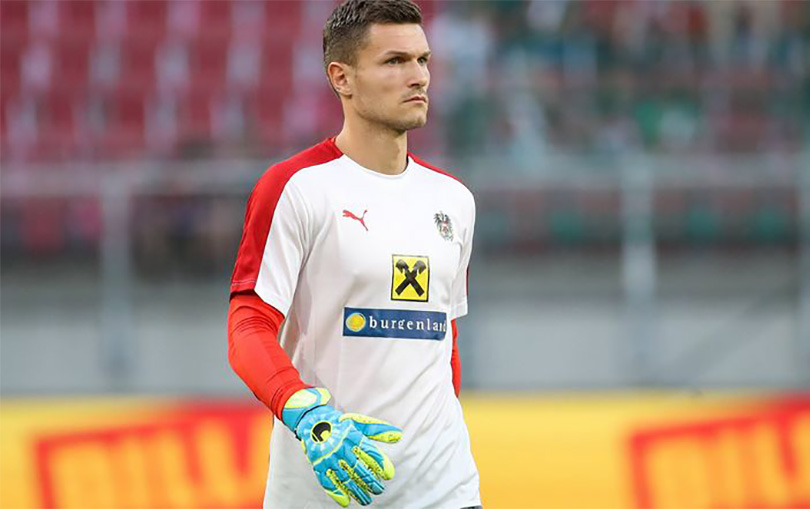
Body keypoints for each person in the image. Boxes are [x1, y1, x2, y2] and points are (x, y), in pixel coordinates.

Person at [227, 0, 480, 507]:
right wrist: (306, 414)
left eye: (423, 60)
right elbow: (248, 326)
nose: (418, 77)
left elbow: (443, 339)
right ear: (341, 77)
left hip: (445, 492)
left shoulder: (454, 199)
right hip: (323, 493)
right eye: (395, 61)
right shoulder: (296, 188)